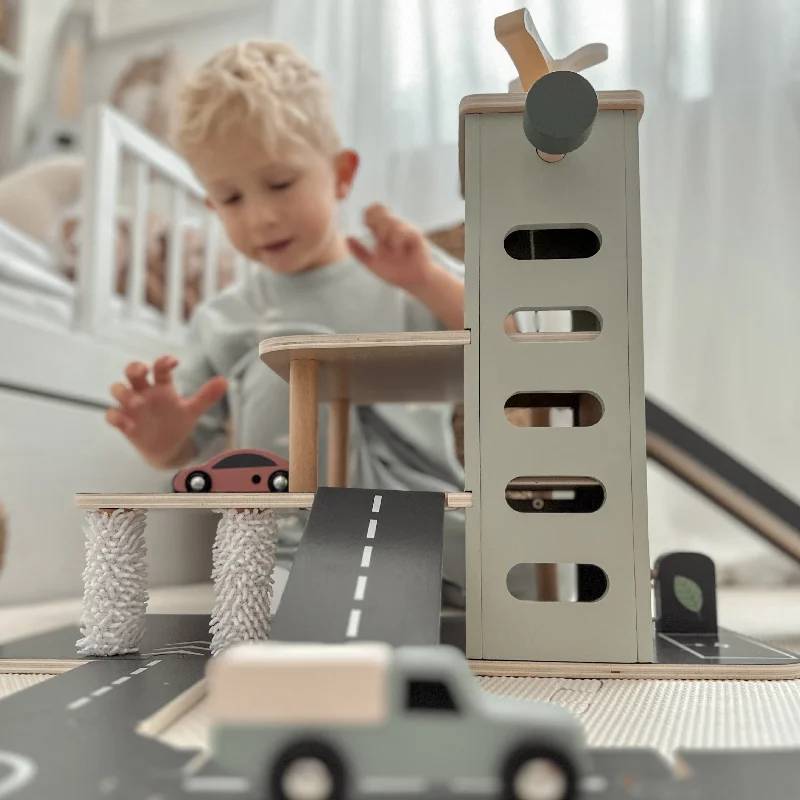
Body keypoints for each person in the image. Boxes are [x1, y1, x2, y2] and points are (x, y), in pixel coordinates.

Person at [104, 40, 467, 600]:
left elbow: (512, 345)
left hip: (428, 525)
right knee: (289, 358)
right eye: (230, 198)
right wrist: (162, 439)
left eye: (280, 184)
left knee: (303, 355)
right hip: (293, 554)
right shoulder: (220, 318)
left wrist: (427, 280)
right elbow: (181, 453)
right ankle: (301, 576)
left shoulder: (403, 271)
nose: (261, 217)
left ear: (341, 175)